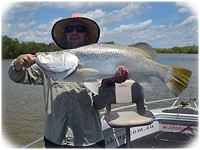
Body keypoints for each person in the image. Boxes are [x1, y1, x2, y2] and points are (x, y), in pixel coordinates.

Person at [8, 13, 129, 148]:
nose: (74, 32)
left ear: (87, 34)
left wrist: (109, 82)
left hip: (89, 140)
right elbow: (17, 76)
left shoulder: (101, 63)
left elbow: (99, 104)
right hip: (55, 139)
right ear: (65, 34)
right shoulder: (50, 64)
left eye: (79, 28)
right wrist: (18, 64)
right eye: (69, 29)